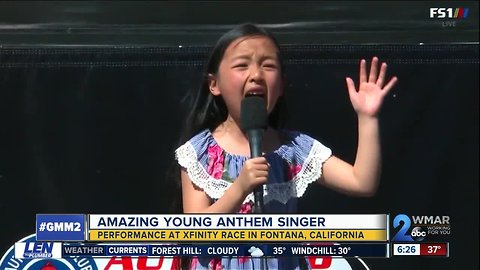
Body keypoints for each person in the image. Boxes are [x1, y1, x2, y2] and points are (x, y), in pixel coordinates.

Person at [173, 23, 398, 269]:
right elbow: (192, 236)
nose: (256, 75)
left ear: (281, 85)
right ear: (213, 84)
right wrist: (239, 189)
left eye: (268, 65)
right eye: (241, 65)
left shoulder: (294, 149)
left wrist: (368, 117)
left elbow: (362, 182)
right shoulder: (200, 153)